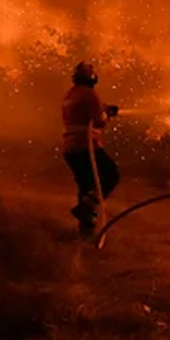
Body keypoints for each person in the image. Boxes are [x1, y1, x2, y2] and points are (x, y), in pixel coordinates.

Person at [61, 62, 120, 236]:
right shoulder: (89, 94)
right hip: (86, 146)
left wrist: (104, 109)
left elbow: (84, 115)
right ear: (92, 78)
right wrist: (108, 114)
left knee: (86, 187)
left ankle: (86, 231)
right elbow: (99, 121)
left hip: (70, 149)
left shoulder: (70, 94)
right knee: (111, 174)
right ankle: (86, 208)